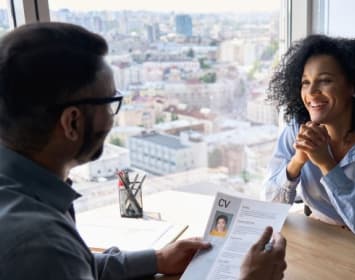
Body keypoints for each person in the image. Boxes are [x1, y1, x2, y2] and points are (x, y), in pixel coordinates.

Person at [0, 22, 286, 280]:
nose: (113, 118)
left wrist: (157, 260)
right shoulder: (37, 244)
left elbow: (73, 266)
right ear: (72, 122)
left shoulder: (23, 200)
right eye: (110, 102)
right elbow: (53, 260)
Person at [263, 34, 355, 246]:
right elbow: (270, 206)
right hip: (319, 235)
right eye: (305, 82)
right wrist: (297, 161)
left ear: (354, 87)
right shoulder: (296, 128)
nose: (311, 92)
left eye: (325, 81)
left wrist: (326, 163)